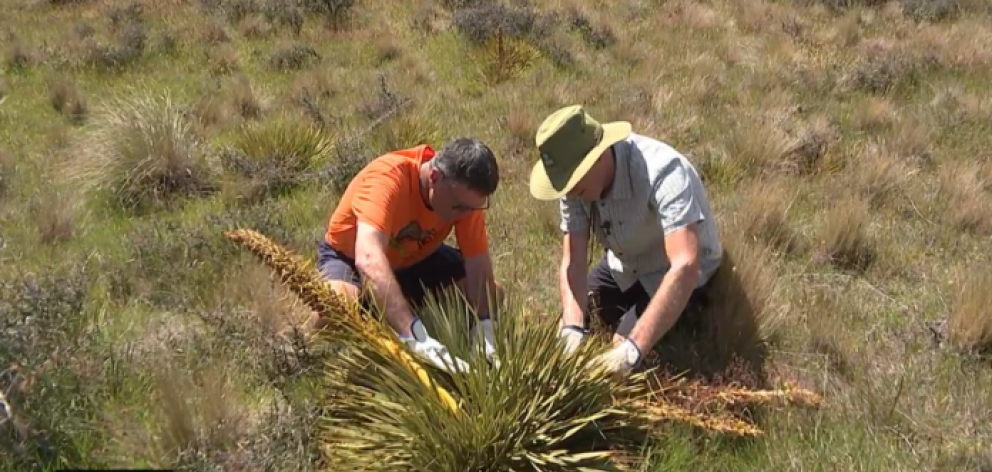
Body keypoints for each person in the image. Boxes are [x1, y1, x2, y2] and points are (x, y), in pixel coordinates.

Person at [528, 105, 724, 379]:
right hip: (624, 263)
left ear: (596, 157)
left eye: (574, 183)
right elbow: (573, 260)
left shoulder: (663, 171)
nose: (570, 193)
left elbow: (685, 264)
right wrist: (572, 328)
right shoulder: (573, 186)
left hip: (672, 273)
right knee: (572, 330)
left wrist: (632, 349)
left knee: (620, 350)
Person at [315, 138, 503, 373]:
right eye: (459, 207)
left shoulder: (463, 200)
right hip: (350, 258)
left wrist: (485, 329)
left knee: (492, 293)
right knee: (330, 313)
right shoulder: (387, 180)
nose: (465, 215)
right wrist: (417, 338)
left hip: (417, 257)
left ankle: (407, 315)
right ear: (435, 177)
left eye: (473, 208)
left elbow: (478, 267)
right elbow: (368, 258)